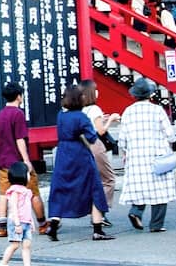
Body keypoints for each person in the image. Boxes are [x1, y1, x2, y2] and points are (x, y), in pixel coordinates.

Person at [45, 81, 112, 241]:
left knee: (60, 189)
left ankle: (53, 224)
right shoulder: (81, 117)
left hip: (63, 153)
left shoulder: (61, 115)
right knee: (94, 188)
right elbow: (92, 137)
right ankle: (97, 230)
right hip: (80, 154)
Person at [115, 80, 175, 233]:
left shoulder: (128, 111)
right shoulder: (157, 110)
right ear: (151, 95)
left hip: (136, 156)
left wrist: (126, 152)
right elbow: (170, 134)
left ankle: (136, 212)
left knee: (140, 187)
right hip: (157, 155)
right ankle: (156, 224)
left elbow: (122, 140)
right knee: (160, 190)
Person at [0, 83, 43, 237]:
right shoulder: (18, 114)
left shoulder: (1, 114)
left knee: (4, 194)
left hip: (3, 160)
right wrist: (26, 160)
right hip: (18, 163)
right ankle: (43, 224)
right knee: (33, 192)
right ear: (19, 96)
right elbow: (19, 139)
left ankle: (2, 227)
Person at [0, 162, 37, 266]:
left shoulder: (26, 191)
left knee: (27, 245)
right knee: (15, 245)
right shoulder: (15, 191)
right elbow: (13, 208)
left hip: (26, 222)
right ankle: (3, 263)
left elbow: (28, 208)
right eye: (27, 173)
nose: (29, 176)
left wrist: (31, 222)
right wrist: (17, 224)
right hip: (16, 222)